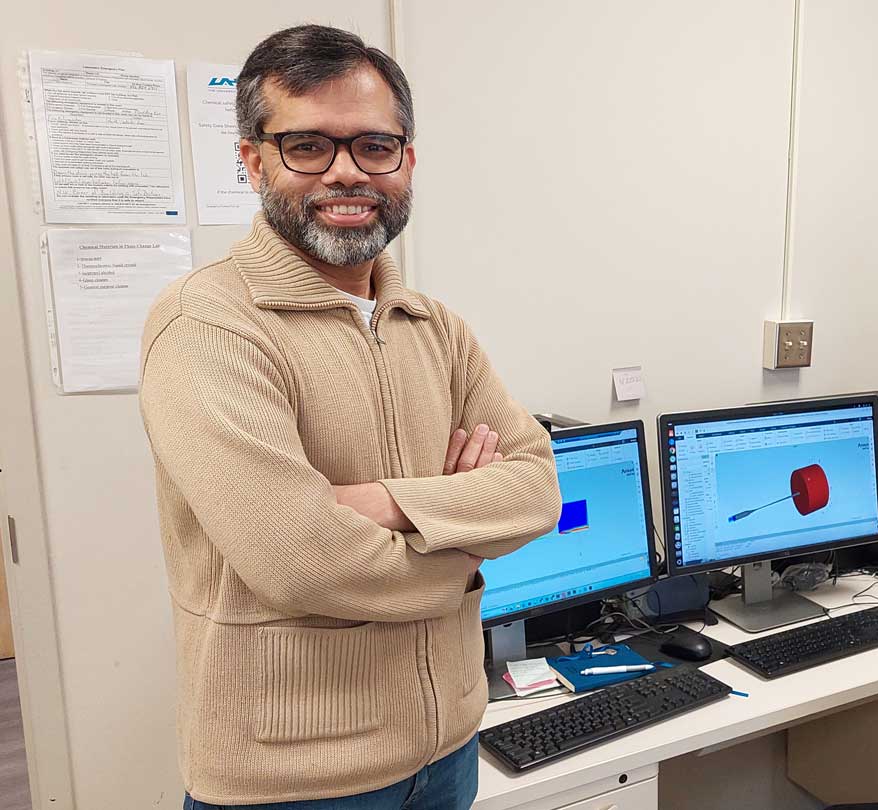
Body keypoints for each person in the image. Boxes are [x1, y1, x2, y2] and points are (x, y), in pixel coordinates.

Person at [138, 25, 561, 809]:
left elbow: (537, 490)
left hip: (449, 746)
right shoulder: (209, 326)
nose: (347, 171)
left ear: (407, 161)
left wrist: (380, 504)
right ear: (253, 160)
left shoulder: (435, 326)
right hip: (297, 778)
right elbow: (303, 562)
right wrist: (468, 543)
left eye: (375, 146)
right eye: (307, 146)